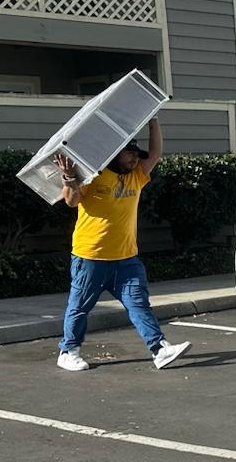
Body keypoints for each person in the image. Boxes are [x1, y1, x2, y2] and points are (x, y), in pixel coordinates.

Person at [54, 118, 190, 372]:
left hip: (126, 259)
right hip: (90, 256)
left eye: (137, 156)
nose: (135, 160)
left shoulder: (136, 176)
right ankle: (68, 351)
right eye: (130, 155)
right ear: (117, 155)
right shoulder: (94, 175)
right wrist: (70, 178)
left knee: (139, 304)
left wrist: (153, 122)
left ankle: (159, 349)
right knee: (79, 307)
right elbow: (72, 201)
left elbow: (157, 153)